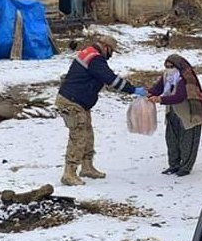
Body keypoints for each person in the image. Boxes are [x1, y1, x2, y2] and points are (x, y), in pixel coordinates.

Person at [56, 35, 146, 186]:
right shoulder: (95, 59)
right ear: (106, 47)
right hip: (72, 101)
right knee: (78, 136)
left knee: (87, 135)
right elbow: (111, 79)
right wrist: (133, 89)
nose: (111, 55)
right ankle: (69, 173)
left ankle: (87, 167)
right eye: (112, 51)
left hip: (79, 101)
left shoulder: (89, 53)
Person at [147, 54, 202, 176]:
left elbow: (179, 97)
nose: (169, 69)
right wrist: (147, 93)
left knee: (188, 142)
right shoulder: (167, 76)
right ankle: (174, 165)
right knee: (172, 140)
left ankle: (186, 166)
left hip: (189, 115)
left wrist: (160, 99)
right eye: (166, 66)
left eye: (171, 66)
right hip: (173, 113)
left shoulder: (186, 79)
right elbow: (157, 89)